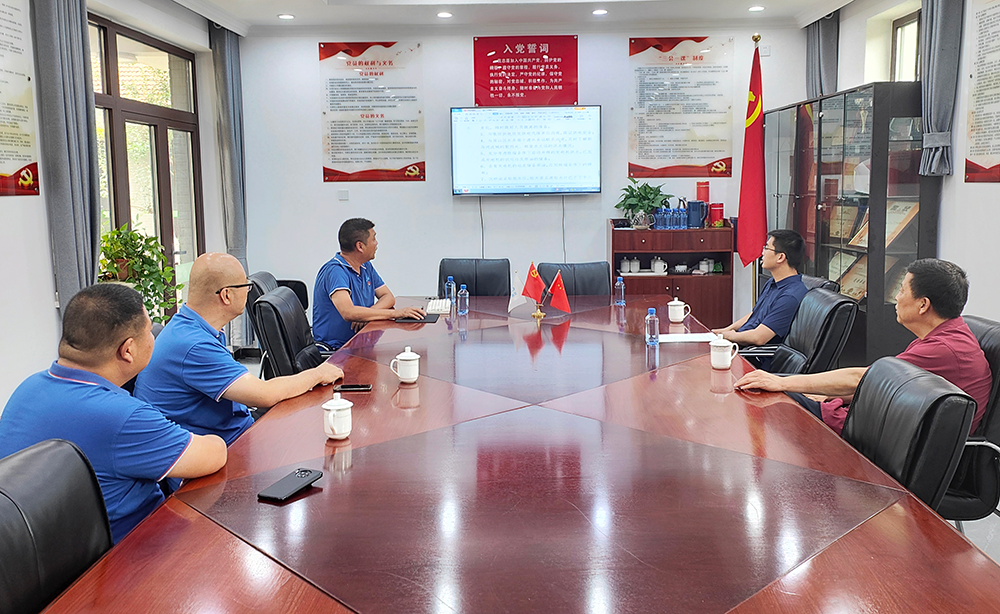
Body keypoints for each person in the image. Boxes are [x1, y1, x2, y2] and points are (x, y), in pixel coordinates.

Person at [0, 284, 227, 543]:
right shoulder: (122, 417)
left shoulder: (28, 386)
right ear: (127, 350)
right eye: (149, 330)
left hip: (49, 558)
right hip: (128, 558)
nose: (154, 337)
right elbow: (213, 455)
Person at [735, 258, 992, 436]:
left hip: (899, 440)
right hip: (895, 424)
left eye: (901, 291)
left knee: (779, 404)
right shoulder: (947, 335)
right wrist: (829, 394)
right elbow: (879, 382)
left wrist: (783, 382)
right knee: (787, 400)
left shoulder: (945, 349)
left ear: (923, 305)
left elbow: (865, 379)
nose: (896, 298)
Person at [134, 253, 344, 445]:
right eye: (246, 286)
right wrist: (318, 373)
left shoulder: (191, 326)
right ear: (226, 295)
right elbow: (263, 395)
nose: (248, 291)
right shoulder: (193, 345)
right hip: (220, 451)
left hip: (230, 431)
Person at [313, 217, 424, 349]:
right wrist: (398, 313)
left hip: (361, 343)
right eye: (373, 239)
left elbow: (388, 297)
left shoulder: (365, 266)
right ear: (360, 246)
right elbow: (348, 312)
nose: (376, 243)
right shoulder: (335, 271)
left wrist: (367, 314)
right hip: (336, 351)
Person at [713, 229, 808, 347]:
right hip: (740, 345)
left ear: (780, 257)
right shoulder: (772, 283)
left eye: (767, 248)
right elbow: (755, 314)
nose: (762, 252)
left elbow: (759, 338)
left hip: (754, 356)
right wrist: (726, 329)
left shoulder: (791, 296)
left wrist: (726, 336)